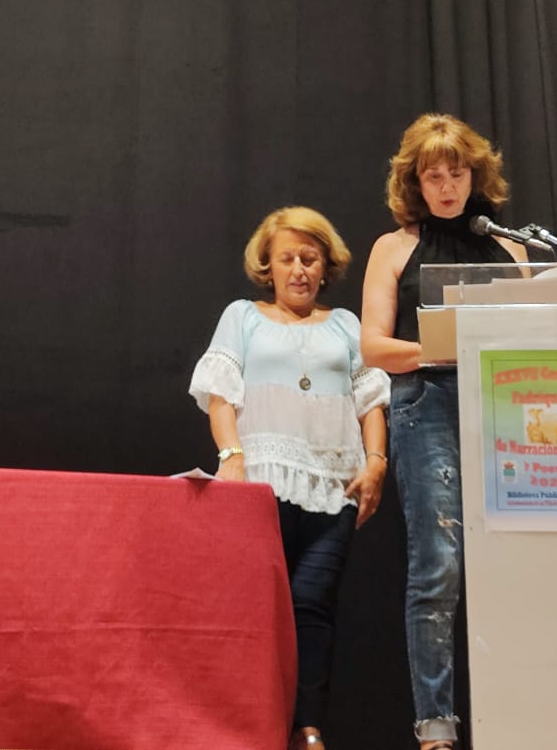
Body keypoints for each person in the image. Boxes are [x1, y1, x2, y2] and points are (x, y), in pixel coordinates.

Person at [190, 206, 391, 750]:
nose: (299, 269)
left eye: (309, 258)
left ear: (325, 266)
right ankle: (251, 725)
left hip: (334, 488)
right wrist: (232, 456)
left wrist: (376, 462)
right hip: (261, 487)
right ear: (268, 266)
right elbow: (220, 393)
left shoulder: (346, 325)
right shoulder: (243, 317)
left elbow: (371, 400)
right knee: (257, 607)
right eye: (287, 259)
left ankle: (307, 729)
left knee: (313, 606)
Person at [360, 115, 529, 750]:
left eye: (457, 174)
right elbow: (372, 347)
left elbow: (532, 334)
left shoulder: (513, 248)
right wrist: (441, 347)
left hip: (504, 403)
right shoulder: (393, 248)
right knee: (439, 566)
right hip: (426, 402)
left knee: (511, 559)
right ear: (415, 182)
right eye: (434, 177)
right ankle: (436, 728)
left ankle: (513, 712)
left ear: (476, 176)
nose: (448, 187)